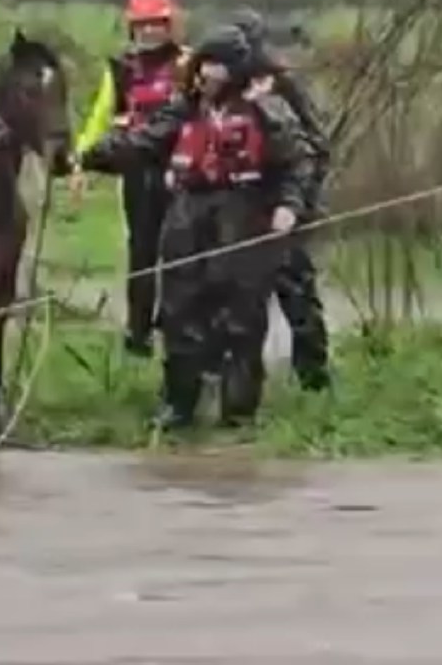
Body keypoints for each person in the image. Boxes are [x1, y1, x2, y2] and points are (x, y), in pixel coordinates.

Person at [111, 26, 315, 431]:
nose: (209, 73)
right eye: (205, 64)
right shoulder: (183, 108)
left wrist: (289, 206)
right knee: (179, 311)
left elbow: (298, 162)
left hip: (242, 213)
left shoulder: (266, 111)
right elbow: (143, 143)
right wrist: (86, 157)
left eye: (218, 65)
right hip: (188, 212)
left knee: (241, 317)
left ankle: (238, 413)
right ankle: (178, 406)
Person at [70, 0, 187, 355]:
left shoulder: (188, 63)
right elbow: (101, 115)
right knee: (142, 252)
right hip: (138, 172)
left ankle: (176, 325)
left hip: (181, 172)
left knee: (180, 252)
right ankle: (138, 332)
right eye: (143, 26)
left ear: (170, 26)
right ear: (132, 28)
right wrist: (80, 158)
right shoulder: (121, 68)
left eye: (158, 25)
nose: (151, 32)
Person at [229, 9, 335, 391]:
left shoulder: (280, 82)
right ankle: (237, 381)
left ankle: (314, 377)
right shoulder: (221, 82)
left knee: (296, 290)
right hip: (237, 204)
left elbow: (317, 144)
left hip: (286, 200)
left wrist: (302, 202)